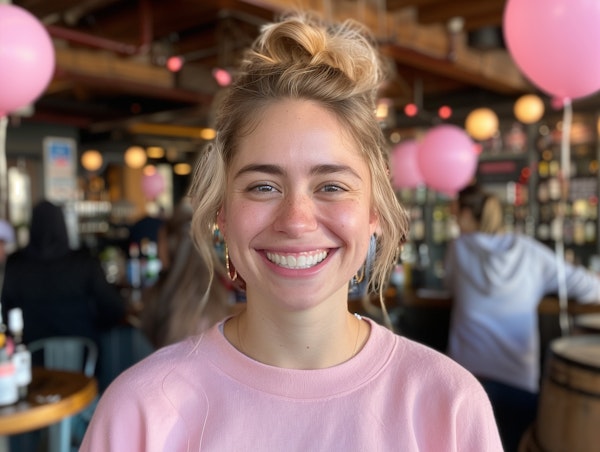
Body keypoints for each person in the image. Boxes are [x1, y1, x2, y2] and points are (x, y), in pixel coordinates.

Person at [81, 12, 502, 451]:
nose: (296, 220)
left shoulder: (449, 406)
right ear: (222, 214)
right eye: (263, 186)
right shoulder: (139, 411)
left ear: (374, 212)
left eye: (332, 186)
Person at [444, 183, 600, 452]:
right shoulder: (529, 252)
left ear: (468, 214)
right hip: (518, 385)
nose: (455, 221)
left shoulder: (458, 249)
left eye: (457, 214)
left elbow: (449, 287)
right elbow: (590, 288)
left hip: (464, 379)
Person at [1, 200, 126, 347]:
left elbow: (6, 313)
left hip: (32, 360)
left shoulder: (15, 264)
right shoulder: (85, 262)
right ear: (62, 226)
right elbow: (114, 307)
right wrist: (94, 324)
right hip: (84, 359)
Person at [140, 197, 235, 348]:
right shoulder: (222, 294)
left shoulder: (159, 298)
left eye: (160, 242)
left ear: (170, 245)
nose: (158, 250)